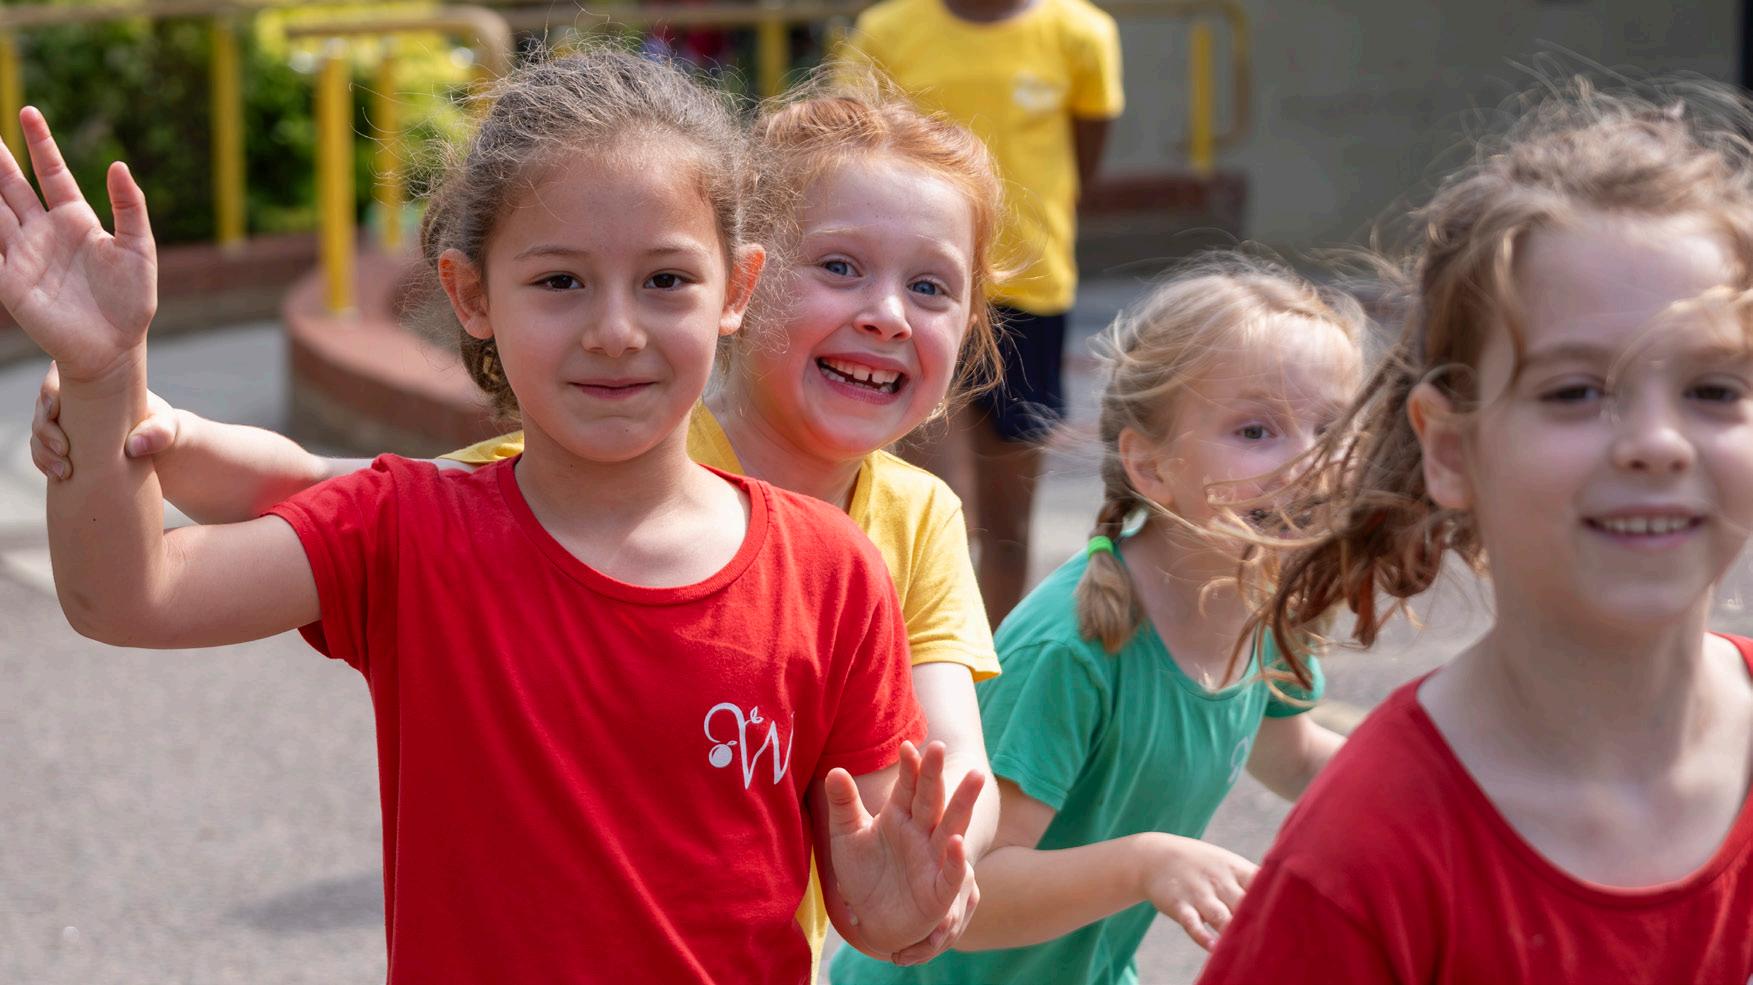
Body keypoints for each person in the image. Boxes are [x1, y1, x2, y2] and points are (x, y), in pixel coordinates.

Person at [1, 50, 985, 983]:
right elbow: (127, 595)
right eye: (559, 281)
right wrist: (101, 371)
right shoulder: (405, 527)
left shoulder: (834, 571)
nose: (615, 330)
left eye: (665, 280)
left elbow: (875, 902)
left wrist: (901, 905)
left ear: (737, 289)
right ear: (472, 294)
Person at [1198, 81, 1753, 983]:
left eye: (1713, 388)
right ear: (1450, 449)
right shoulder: (1359, 860)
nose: (1656, 441)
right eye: (1575, 390)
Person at [832, 256, 1358, 985]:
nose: (1308, 463)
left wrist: (1442, 790)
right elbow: (961, 900)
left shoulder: (1261, 597)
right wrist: (1145, 863)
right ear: (1150, 466)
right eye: (1255, 430)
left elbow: (1290, 752)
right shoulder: (1071, 648)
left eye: (1330, 428)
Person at [841, 0, 1125, 624]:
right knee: (936, 508)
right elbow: (854, 150)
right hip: (916, 293)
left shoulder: (1081, 32)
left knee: (1007, 525)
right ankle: (915, 659)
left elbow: (1083, 161)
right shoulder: (888, 30)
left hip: (1030, 292)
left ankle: (995, 668)